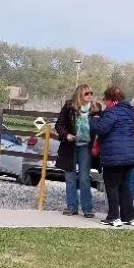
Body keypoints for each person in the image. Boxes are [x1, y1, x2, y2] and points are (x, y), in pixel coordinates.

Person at [90, 85, 134, 227]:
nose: (105, 102)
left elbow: (101, 129)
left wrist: (95, 117)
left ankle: (113, 217)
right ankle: (129, 217)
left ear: (111, 99)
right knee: (124, 186)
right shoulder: (129, 112)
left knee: (111, 186)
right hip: (130, 154)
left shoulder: (112, 112)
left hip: (115, 154)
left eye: (106, 99)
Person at [55, 83, 99, 218]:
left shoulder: (96, 109)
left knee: (85, 178)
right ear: (80, 95)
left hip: (85, 146)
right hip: (70, 146)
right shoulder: (69, 107)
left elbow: (100, 127)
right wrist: (66, 135)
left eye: (91, 93)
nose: (90, 96)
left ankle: (87, 208)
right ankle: (72, 207)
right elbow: (59, 125)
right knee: (70, 177)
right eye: (87, 93)